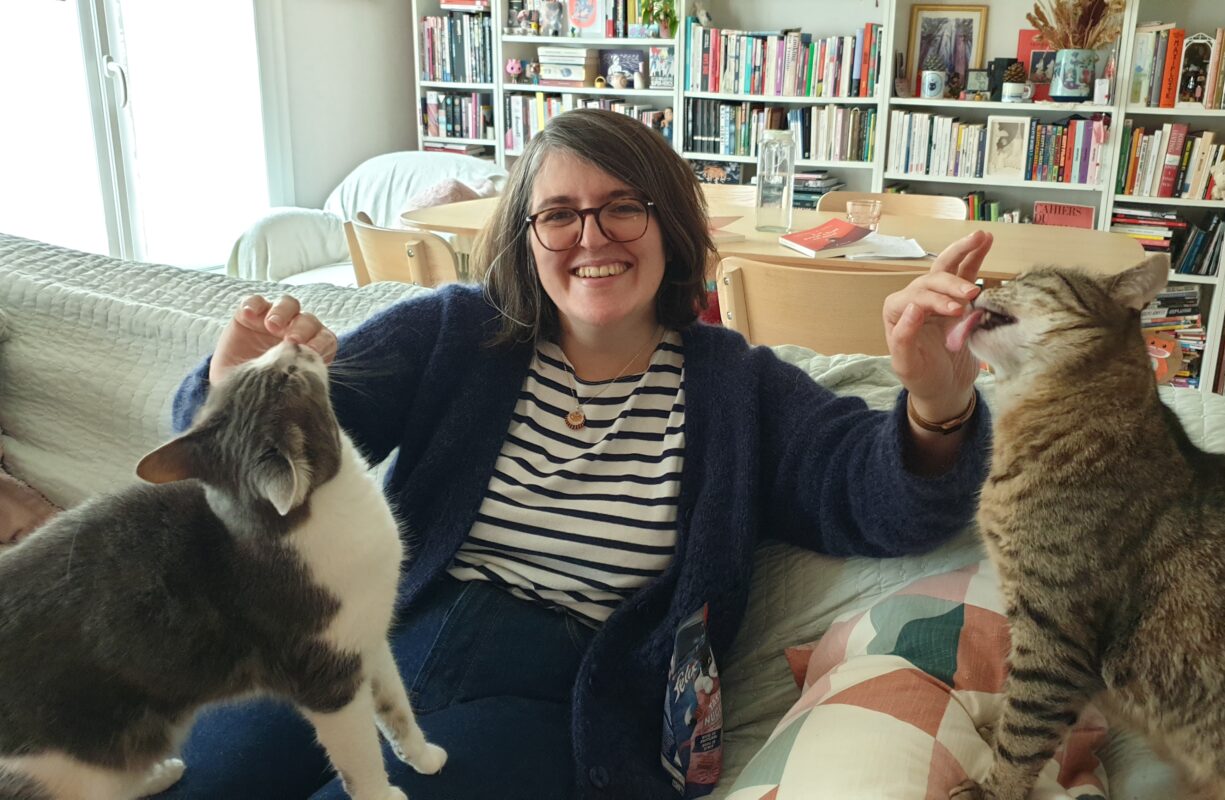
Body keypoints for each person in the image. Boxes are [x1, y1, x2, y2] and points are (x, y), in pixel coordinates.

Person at [160, 108, 992, 800]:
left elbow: (872, 494)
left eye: (623, 206)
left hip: (550, 701)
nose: (592, 236)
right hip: (364, 638)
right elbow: (276, 465)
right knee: (181, 779)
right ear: (527, 237)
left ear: (668, 225)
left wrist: (937, 403)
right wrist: (235, 391)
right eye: (558, 214)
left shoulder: (739, 389)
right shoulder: (454, 331)